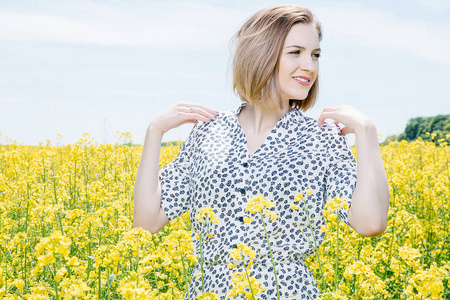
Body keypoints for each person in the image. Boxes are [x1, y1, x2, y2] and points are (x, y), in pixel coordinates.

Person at [133, 4, 389, 299]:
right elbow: (147, 222)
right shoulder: (208, 131)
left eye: (315, 55)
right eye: (296, 52)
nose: (310, 65)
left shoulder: (321, 137)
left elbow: (370, 223)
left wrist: (367, 133)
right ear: (260, 53)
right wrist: (154, 132)